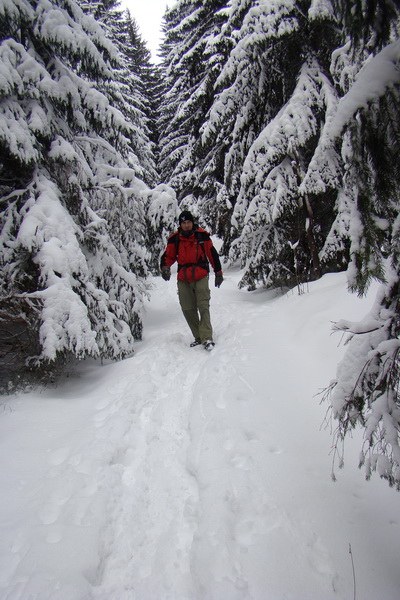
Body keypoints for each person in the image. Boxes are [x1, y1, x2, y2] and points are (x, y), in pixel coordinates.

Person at [160, 210, 223, 350]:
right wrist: (165, 267)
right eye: (184, 223)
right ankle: (198, 337)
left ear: (192, 223)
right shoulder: (175, 239)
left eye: (188, 222)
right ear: (180, 225)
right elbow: (168, 256)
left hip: (200, 275)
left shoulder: (202, 236)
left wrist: (218, 273)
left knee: (203, 305)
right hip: (183, 277)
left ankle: (207, 337)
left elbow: (212, 254)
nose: (187, 225)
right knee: (187, 308)